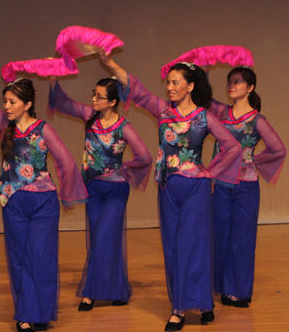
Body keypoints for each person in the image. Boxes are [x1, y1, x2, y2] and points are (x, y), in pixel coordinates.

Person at [98, 50, 242, 331]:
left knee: (194, 246)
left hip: (195, 189)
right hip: (167, 188)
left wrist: (210, 171)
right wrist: (111, 64)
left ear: (190, 86)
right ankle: (182, 303)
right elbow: (137, 90)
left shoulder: (204, 117)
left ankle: (191, 307)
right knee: (173, 247)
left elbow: (233, 147)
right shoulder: (163, 111)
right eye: (169, 83)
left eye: (176, 83)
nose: (170, 87)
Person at [0, 61, 88, 332]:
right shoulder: (4, 126)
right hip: (13, 204)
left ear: (28, 102)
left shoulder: (43, 129)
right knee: (19, 258)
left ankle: (40, 314)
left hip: (43, 204)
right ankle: (25, 315)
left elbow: (67, 163)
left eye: (12, 101)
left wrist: (66, 194)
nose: (6, 106)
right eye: (5, 101)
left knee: (41, 259)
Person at [48, 73, 152, 311]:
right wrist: (53, 81)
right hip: (92, 189)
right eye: (93, 94)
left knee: (105, 239)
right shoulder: (89, 117)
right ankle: (119, 290)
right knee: (100, 239)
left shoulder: (124, 127)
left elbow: (144, 157)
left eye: (100, 96)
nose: (94, 99)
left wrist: (122, 169)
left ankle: (90, 293)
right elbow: (64, 103)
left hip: (115, 190)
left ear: (113, 101)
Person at [208, 66, 286, 308]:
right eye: (230, 81)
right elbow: (202, 98)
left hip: (246, 187)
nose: (232, 85)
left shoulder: (257, 120)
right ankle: (222, 287)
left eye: (238, 81)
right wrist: (205, 71)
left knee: (242, 239)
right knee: (220, 236)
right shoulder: (222, 112)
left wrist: (253, 160)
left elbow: (279, 149)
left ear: (250, 88)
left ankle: (240, 291)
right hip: (221, 186)